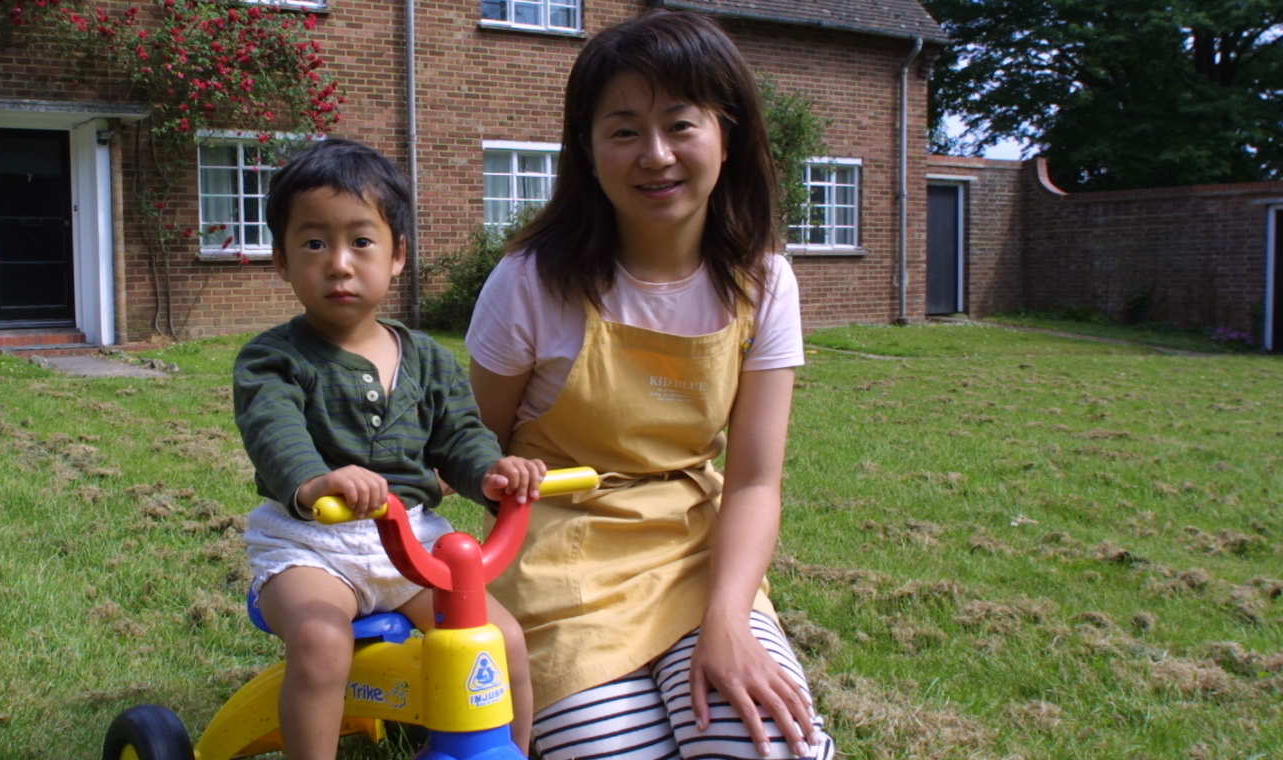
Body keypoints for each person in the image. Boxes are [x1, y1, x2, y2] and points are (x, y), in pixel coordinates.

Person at [466, 11, 835, 760]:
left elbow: (757, 481)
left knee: (770, 747)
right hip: (560, 560)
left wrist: (729, 621)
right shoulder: (530, 282)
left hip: (700, 550)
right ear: (589, 150)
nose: (655, 155)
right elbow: (473, 449)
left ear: (726, 136)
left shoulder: (765, 282)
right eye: (625, 129)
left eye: (681, 124)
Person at [233, 138, 549, 760]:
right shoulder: (273, 357)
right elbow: (274, 431)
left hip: (413, 546)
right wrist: (316, 481)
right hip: (311, 546)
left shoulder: (428, 358)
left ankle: (510, 750)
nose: (339, 263)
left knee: (500, 638)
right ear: (282, 260)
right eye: (315, 243)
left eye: (361, 241)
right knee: (324, 642)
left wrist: (492, 471)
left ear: (398, 255)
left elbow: (460, 436)